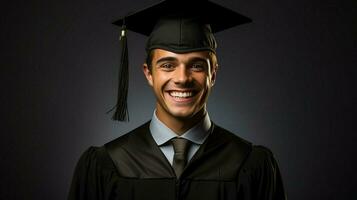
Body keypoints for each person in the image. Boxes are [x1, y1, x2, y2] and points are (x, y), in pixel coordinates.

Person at [68, 0, 287, 199]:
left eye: (197, 65)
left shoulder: (251, 165)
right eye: (167, 65)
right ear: (148, 74)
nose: (182, 78)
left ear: (213, 74)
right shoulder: (106, 164)